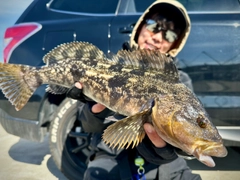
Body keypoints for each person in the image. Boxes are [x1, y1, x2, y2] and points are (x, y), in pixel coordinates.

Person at [67, 0, 201, 179]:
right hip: (112, 154)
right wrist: (94, 111)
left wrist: (174, 148)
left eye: (169, 35)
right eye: (154, 25)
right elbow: (87, 125)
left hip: (165, 164)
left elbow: (186, 137)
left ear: (174, 45)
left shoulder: (180, 82)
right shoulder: (106, 69)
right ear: (140, 28)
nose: (158, 37)